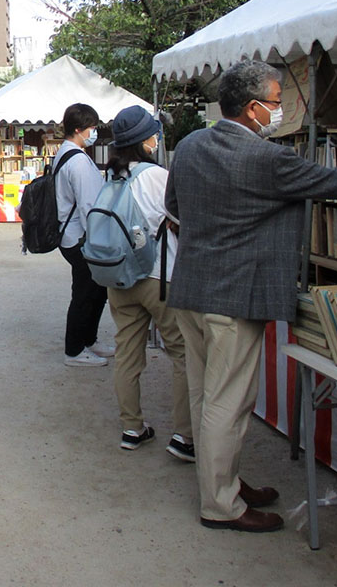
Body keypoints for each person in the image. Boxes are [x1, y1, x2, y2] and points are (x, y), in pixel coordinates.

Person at [165, 60, 337, 533]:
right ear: (253, 107)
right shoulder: (267, 159)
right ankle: (220, 504)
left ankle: (224, 484)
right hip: (235, 298)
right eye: (275, 102)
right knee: (226, 403)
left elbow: (173, 207)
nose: (279, 110)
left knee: (204, 396)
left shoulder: (191, 144)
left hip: (193, 288)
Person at [102, 107, 192, 459]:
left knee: (127, 353)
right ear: (145, 141)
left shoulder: (111, 176)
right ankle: (185, 436)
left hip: (118, 276)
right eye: (154, 134)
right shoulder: (156, 176)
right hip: (158, 277)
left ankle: (132, 428)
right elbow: (180, 218)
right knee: (182, 352)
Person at [55, 102, 115, 367]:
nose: (94, 133)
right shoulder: (78, 161)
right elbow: (90, 205)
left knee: (96, 290)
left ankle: (88, 340)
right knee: (85, 293)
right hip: (80, 237)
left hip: (72, 235)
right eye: (91, 128)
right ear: (79, 129)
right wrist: (102, 239)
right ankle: (75, 349)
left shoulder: (66, 153)